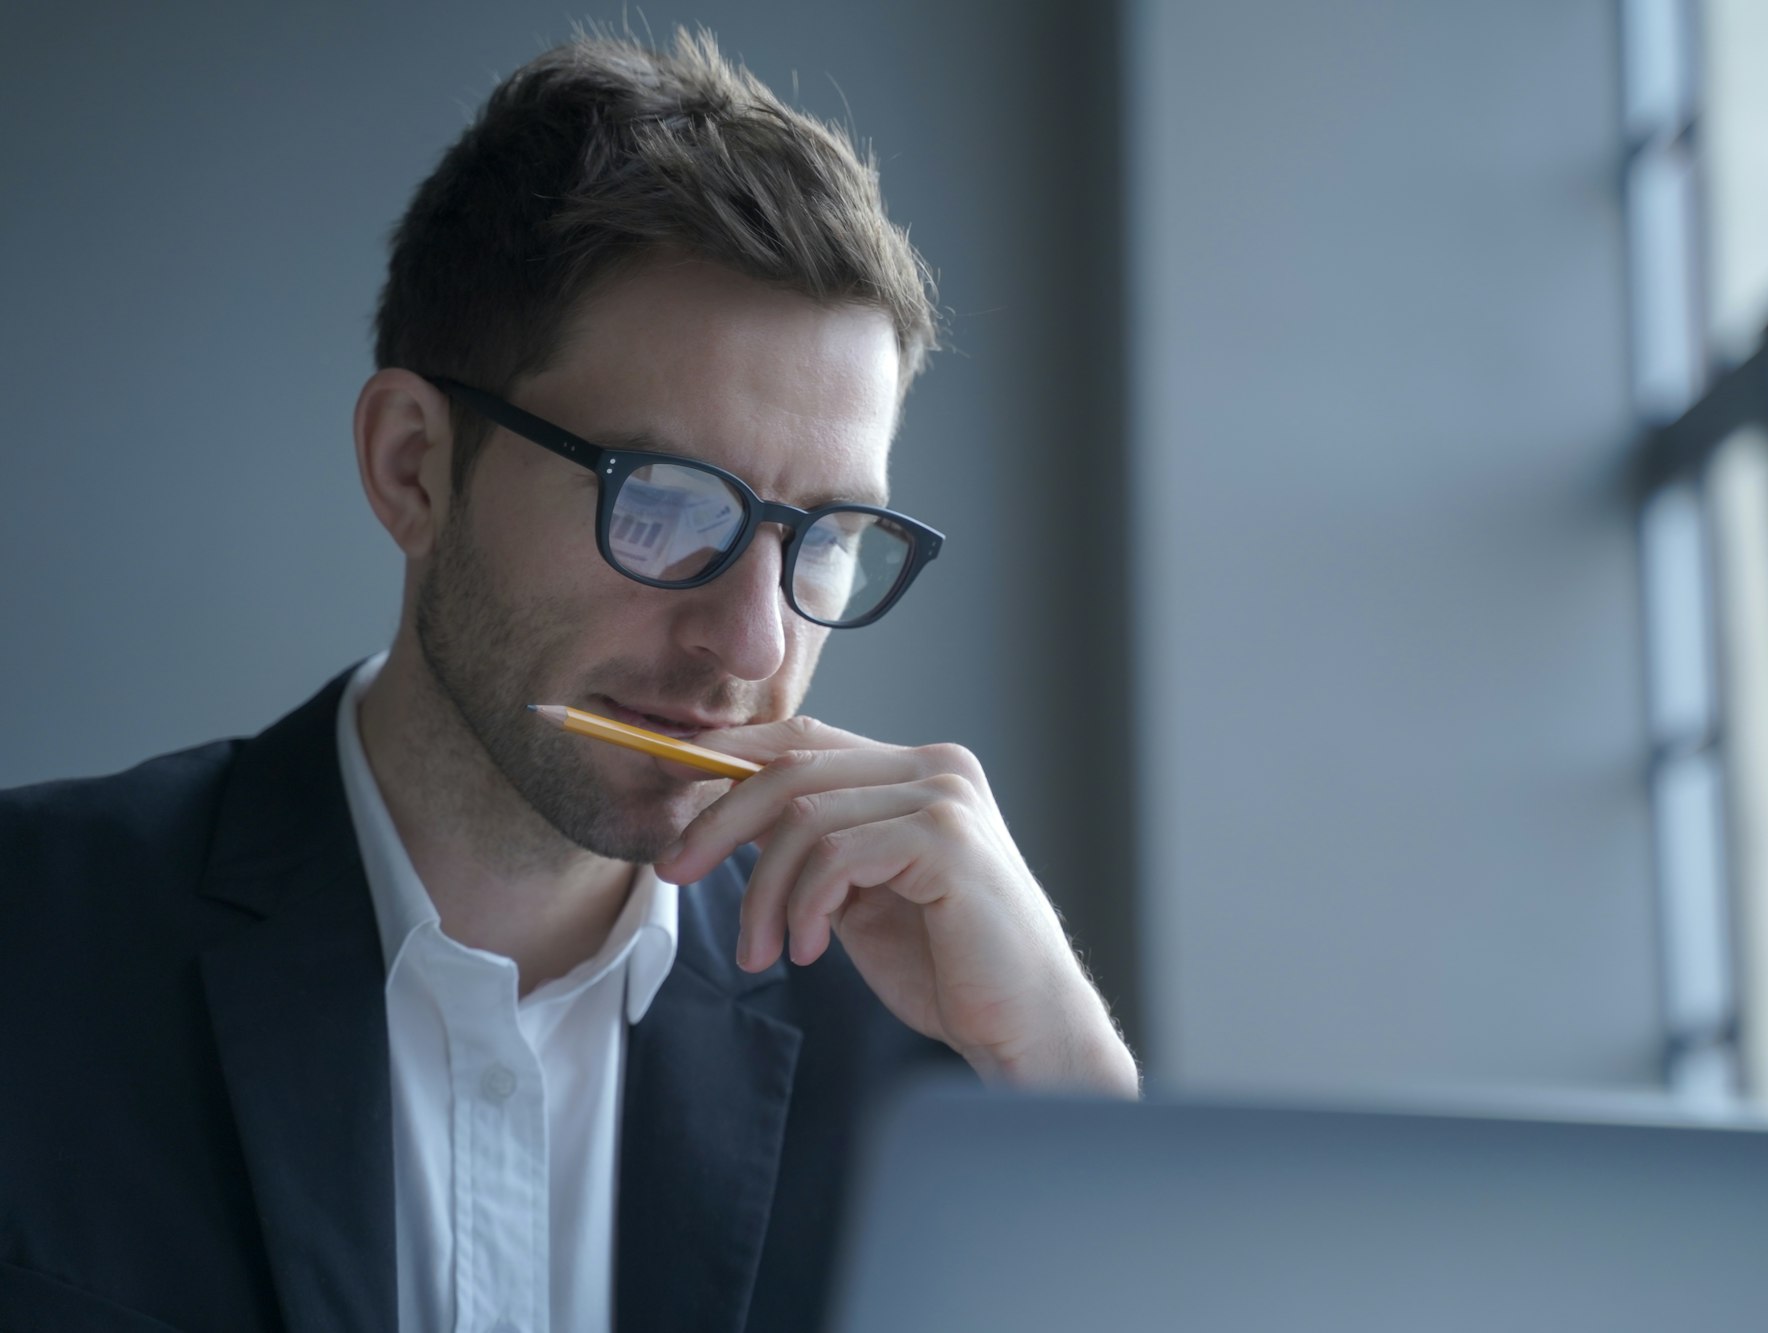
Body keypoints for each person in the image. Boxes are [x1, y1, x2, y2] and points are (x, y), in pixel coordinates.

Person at [0, 29, 1137, 1333]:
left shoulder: (946, 1066)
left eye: (823, 538)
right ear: (413, 466)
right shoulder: (35, 943)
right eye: (661, 504)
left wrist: (1069, 1078)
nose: (753, 644)